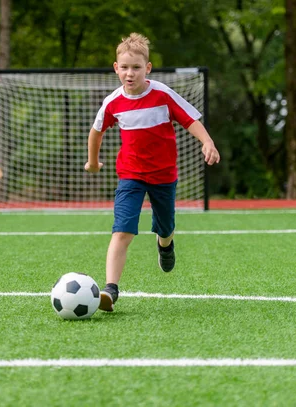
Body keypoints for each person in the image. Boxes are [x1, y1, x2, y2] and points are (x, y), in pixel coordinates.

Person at [84, 33, 220, 312]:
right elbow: (96, 132)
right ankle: (110, 289)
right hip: (130, 176)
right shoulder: (113, 102)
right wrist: (93, 162)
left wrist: (207, 142)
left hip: (163, 175)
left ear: (147, 68)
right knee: (122, 230)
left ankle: (165, 244)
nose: (129, 73)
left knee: (166, 225)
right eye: (124, 67)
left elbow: (190, 119)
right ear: (116, 68)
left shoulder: (163, 95)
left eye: (135, 67)